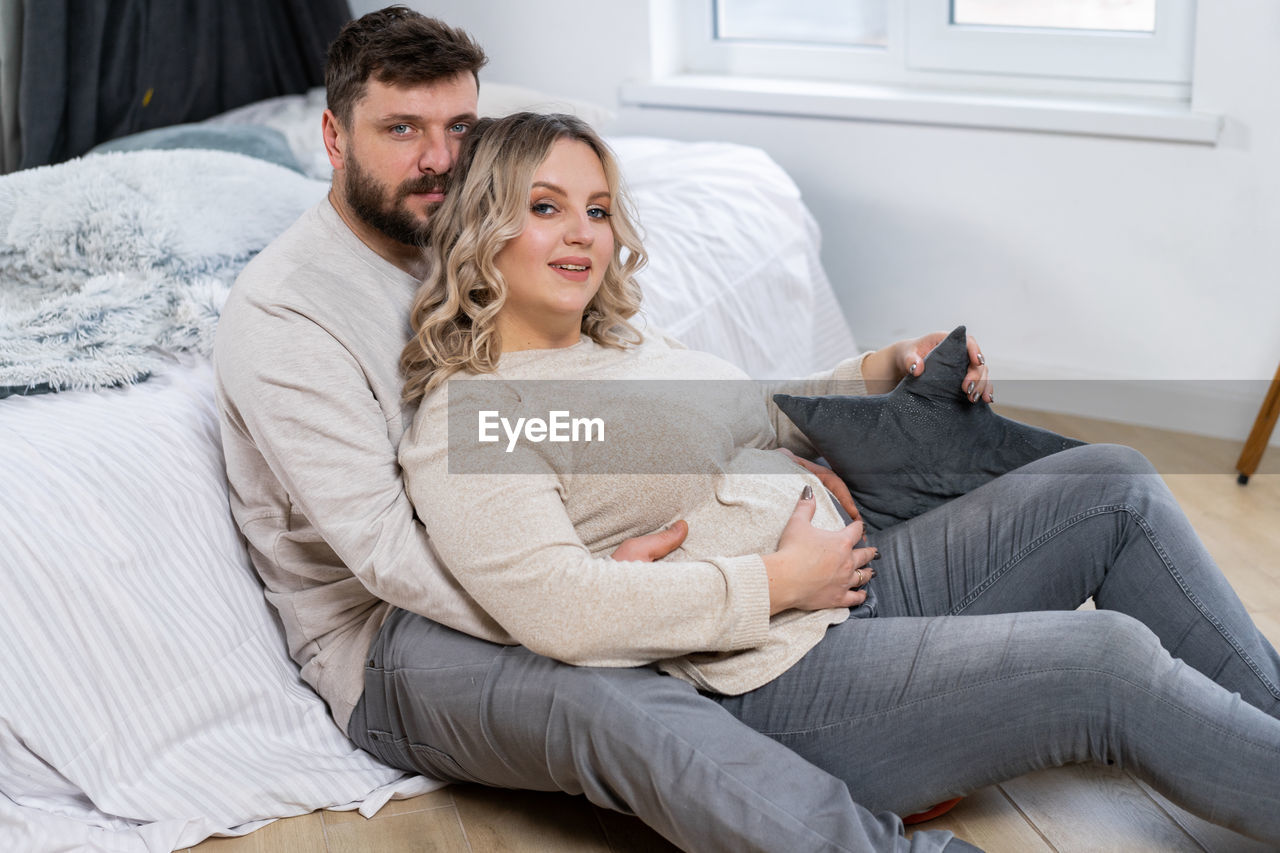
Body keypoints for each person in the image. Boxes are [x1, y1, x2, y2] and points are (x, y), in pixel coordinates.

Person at [214, 6, 985, 851]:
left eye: (459, 128)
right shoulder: (285, 312)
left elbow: (639, 406)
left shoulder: (481, 230)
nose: (438, 160)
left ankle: (892, 729)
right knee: (606, 690)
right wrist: (587, 597)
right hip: (392, 634)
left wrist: (817, 422)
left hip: (545, 542)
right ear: (333, 136)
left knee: (902, 452)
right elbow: (385, 552)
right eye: (401, 129)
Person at [397, 110, 1280, 846]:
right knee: (1106, 661)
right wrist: (772, 581)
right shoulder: (478, 414)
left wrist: (883, 364)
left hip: (853, 584)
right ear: (484, 225)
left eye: (597, 209)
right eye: (547, 206)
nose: (583, 233)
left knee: (1114, 485)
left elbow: (766, 414)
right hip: (773, 674)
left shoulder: (622, 345)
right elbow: (557, 606)